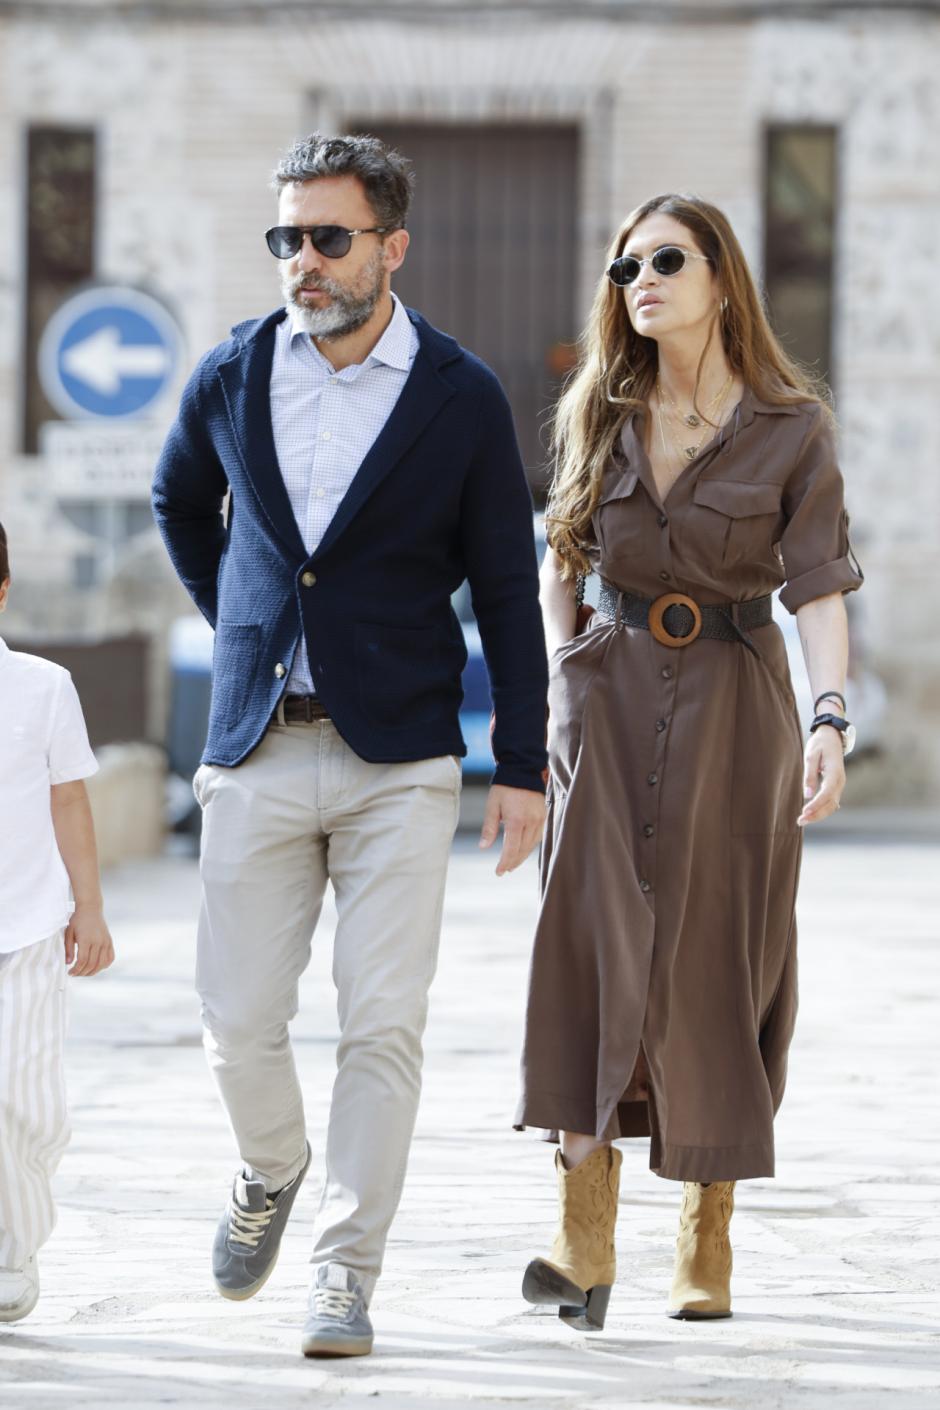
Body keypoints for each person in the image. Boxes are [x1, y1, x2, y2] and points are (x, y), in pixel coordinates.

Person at [152, 133, 548, 1359]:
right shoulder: (231, 371)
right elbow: (180, 502)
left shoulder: (460, 395)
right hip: (257, 747)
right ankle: (272, 1167)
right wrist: (244, 632)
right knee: (235, 1018)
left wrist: (525, 765)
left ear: (391, 245)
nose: (303, 263)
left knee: (381, 1023)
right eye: (286, 239)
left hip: (402, 763)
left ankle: (344, 1270)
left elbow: (504, 581)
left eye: (328, 238)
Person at [516, 194, 864, 1331]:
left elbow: (814, 584)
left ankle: (705, 1222)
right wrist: (559, 678)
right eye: (625, 267)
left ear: (721, 276)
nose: (642, 281)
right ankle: (581, 1228)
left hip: (734, 702)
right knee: (588, 930)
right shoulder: (598, 411)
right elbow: (559, 551)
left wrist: (828, 715)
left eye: (666, 260)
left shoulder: (789, 426)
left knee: (718, 944)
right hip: (604, 698)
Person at [0, 520, 115, 1324]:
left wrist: (91, 907)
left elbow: (69, 796)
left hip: (27, 931)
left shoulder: (43, 686)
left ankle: (17, 1237)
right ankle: (7, 1258)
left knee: (30, 1107)